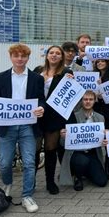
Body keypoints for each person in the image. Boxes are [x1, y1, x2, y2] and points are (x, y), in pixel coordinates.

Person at [0, 43, 45, 213]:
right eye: (16, 56)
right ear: (11, 57)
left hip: (27, 126)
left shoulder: (36, 78)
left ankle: (27, 195)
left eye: (23, 56)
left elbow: (41, 99)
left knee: (29, 162)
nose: (20, 59)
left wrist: (41, 108)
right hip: (6, 126)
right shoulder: (0, 77)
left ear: (27, 58)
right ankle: (7, 184)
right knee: (4, 164)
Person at [34, 45, 73, 195]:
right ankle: (31, 181)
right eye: (52, 53)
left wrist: (71, 81)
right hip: (36, 116)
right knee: (35, 151)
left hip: (54, 117)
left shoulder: (66, 72)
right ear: (47, 55)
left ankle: (50, 182)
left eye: (58, 53)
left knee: (51, 150)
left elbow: (69, 94)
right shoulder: (37, 70)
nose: (54, 55)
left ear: (62, 57)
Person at [59, 90, 108, 191]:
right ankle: (78, 177)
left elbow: (102, 140)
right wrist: (63, 137)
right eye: (85, 99)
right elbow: (63, 144)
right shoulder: (73, 116)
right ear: (81, 101)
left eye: (91, 99)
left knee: (102, 181)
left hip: (92, 153)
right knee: (82, 161)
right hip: (76, 153)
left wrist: (105, 138)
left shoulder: (100, 117)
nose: (88, 102)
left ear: (95, 101)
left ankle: (86, 172)